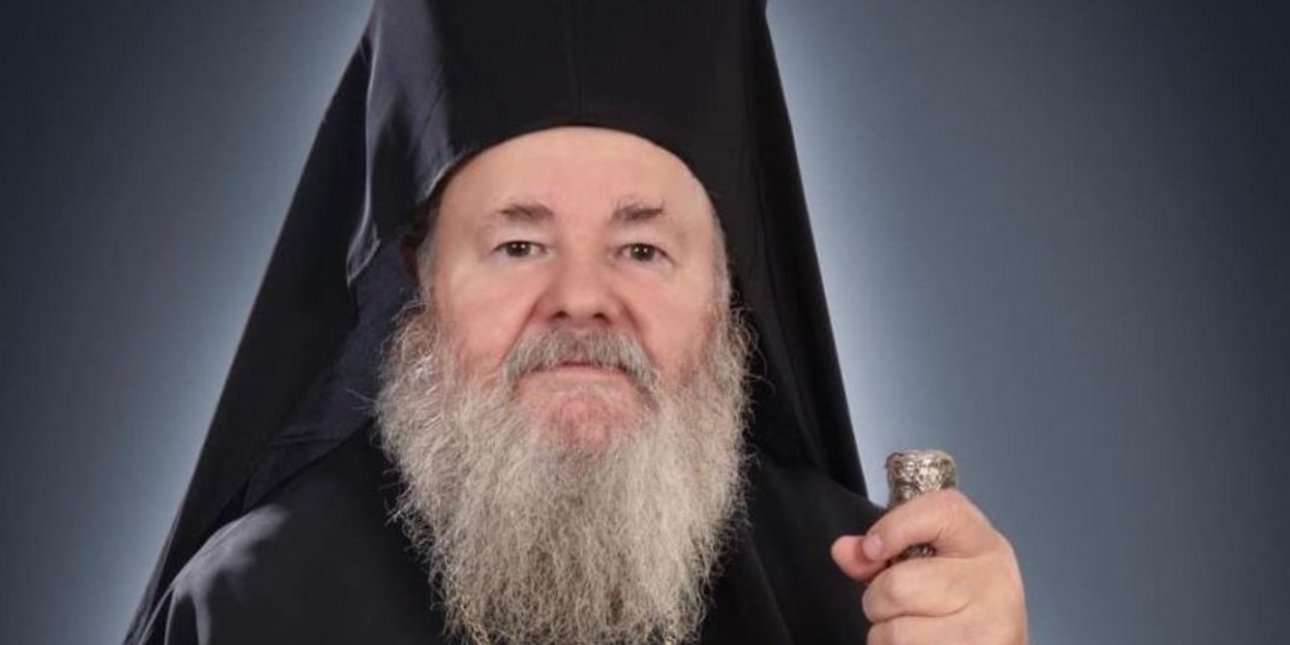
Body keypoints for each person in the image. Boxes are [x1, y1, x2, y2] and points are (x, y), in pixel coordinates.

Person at [127, 1, 1026, 643]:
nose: (582, 298)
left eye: (642, 249)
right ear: (420, 278)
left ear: (726, 287)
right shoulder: (252, 607)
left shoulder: (865, 602)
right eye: (519, 245)